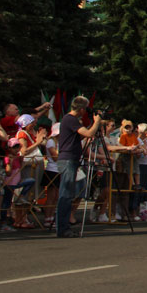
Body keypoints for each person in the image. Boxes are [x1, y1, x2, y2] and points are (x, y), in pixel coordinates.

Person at [55, 96, 102, 238]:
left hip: (71, 158)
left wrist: (91, 128)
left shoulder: (71, 121)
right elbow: (88, 134)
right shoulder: (70, 119)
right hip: (68, 159)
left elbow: (80, 136)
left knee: (68, 193)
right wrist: (96, 123)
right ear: (81, 109)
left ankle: (64, 226)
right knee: (66, 194)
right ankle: (63, 228)